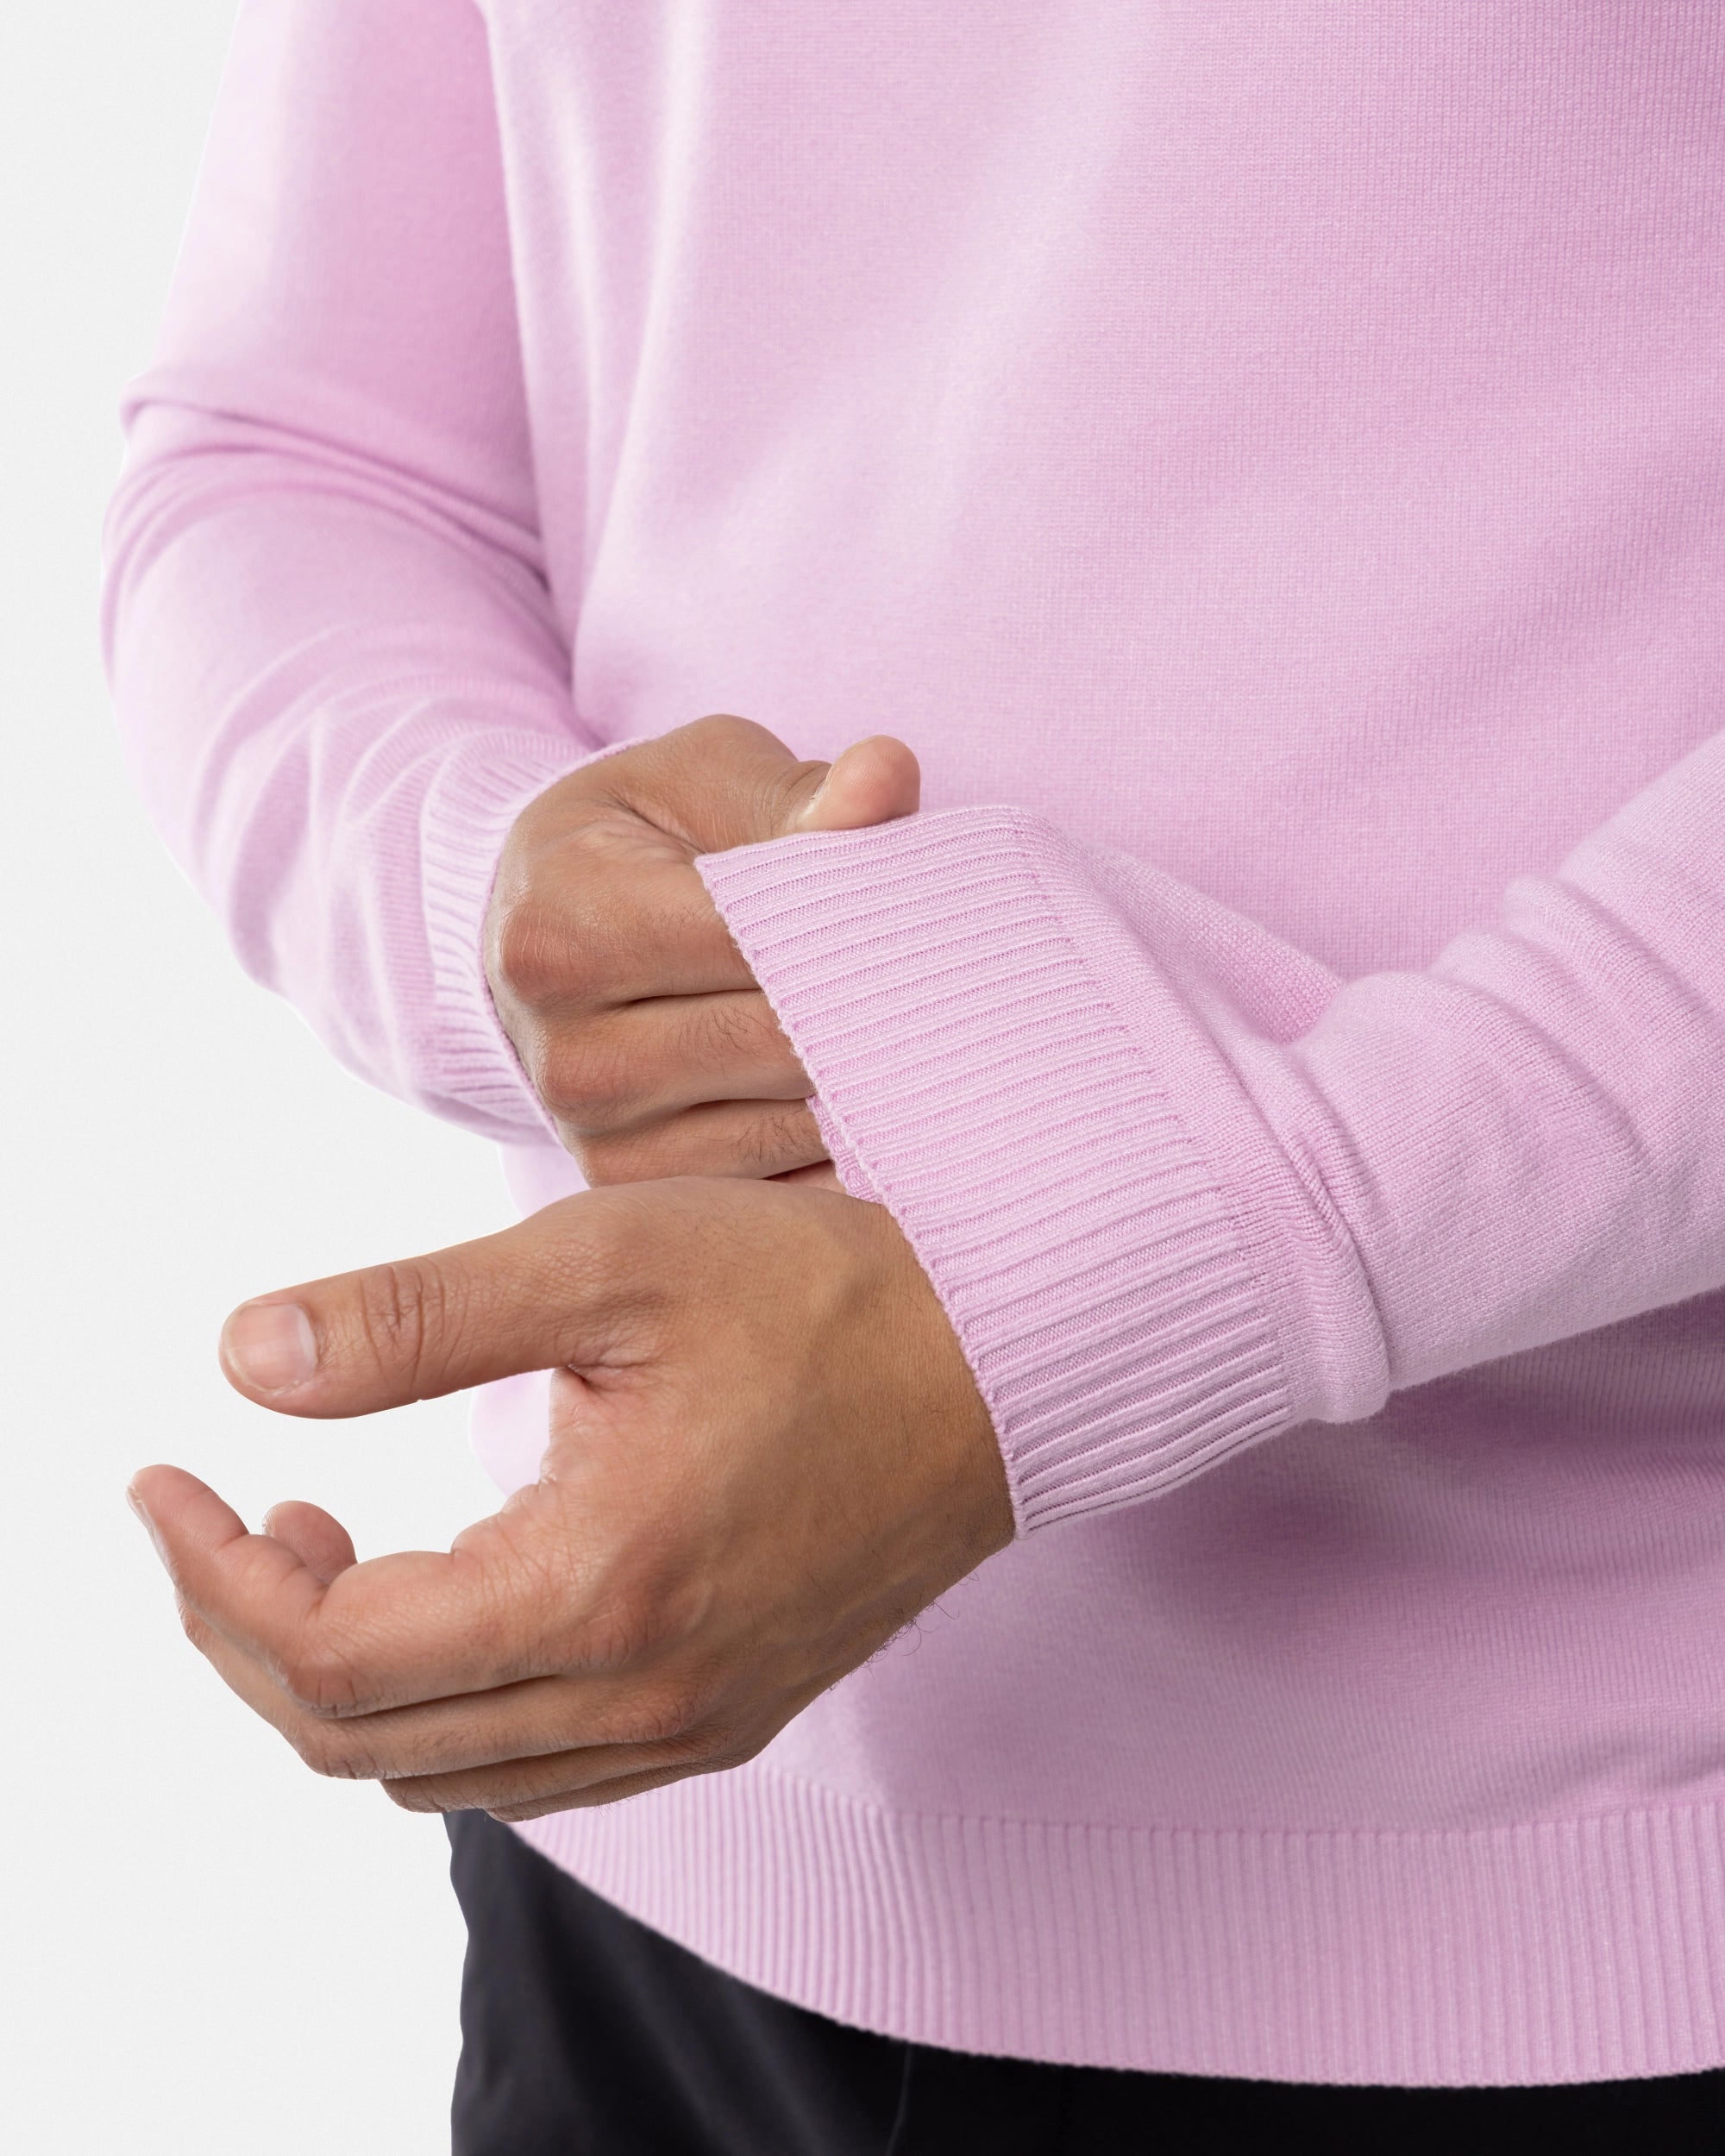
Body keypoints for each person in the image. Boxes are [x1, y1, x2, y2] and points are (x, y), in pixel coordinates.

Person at [105, 2, 1725, 2146]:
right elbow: (304, 451)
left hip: (1582, 1925)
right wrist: (503, 893)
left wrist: (1191, 1264)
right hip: (654, 1833)